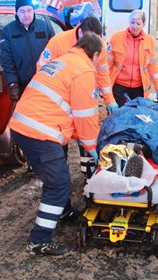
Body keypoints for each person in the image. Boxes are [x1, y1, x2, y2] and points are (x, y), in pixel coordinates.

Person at [8, 34, 102, 255]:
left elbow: (69, 109)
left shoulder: (62, 61)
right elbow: (86, 116)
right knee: (59, 184)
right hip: (41, 131)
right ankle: (39, 241)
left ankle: (62, 210)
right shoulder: (85, 70)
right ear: (95, 54)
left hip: (22, 126)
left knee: (56, 176)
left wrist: (80, 136)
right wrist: (94, 149)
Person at [36, 16, 112, 217]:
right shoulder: (59, 42)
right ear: (79, 32)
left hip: (83, 103)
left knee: (87, 146)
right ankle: (62, 204)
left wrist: (110, 99)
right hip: (58, 111)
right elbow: (42, 70)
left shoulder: (99, 46)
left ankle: (91, 186)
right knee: (58, 158)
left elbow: (103, 74)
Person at [0, 0, 56, 101]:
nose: (26, 15)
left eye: (29, 10)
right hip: (22, 84)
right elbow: (7, 60)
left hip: (44, 82)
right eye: (22, 11)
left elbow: (55, 51)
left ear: (33, 11)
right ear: (16, 13)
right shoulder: (8, 31)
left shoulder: (45, 27)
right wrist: (13, 84)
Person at [107, 9, 158, 107]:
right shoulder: (116, 38)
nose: (135, 26)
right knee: (118, 116)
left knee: (138, 116)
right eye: (132, 22)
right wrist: (102, 86)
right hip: (119, 86)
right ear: (129, 22)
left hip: (139, 88)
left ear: (144, 24)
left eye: (138, 23)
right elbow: (107, 64)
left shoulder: (149, 41)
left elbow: (152, 67)